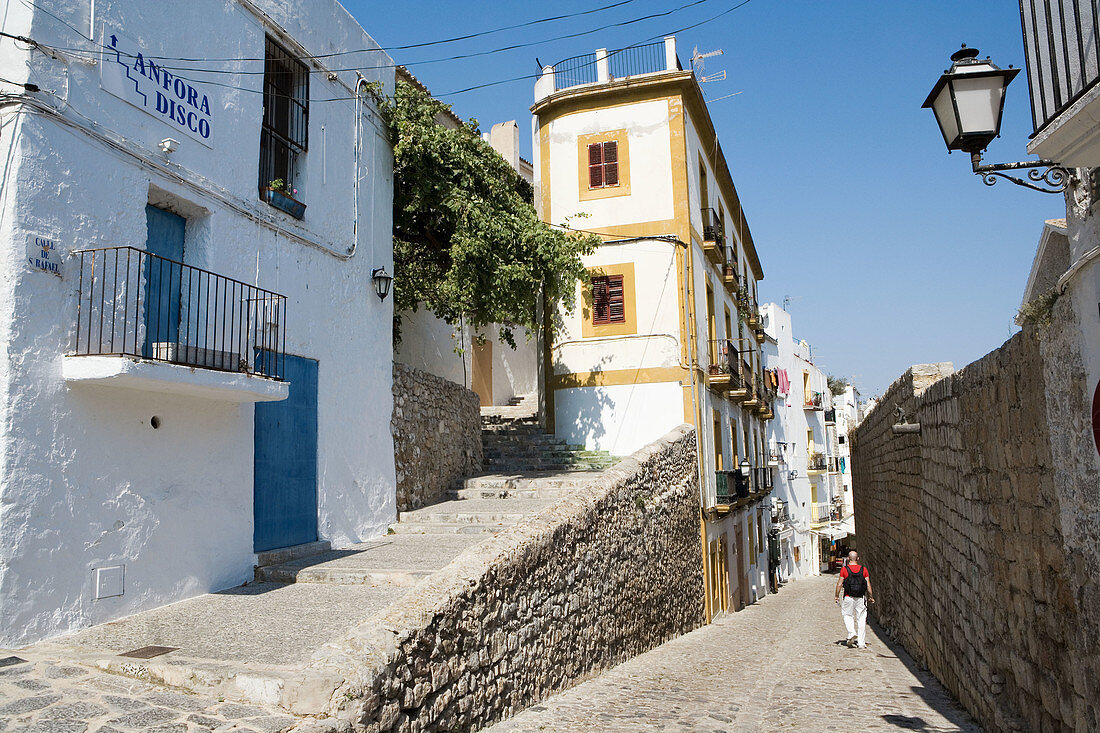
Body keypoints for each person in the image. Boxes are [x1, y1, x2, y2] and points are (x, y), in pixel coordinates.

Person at [834, 550, 874, 648]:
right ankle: (861, 643)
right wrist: (871, 596)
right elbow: (868, 584)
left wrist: (836, 595)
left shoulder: (844, 570)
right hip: (861, 598)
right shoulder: (863, 570)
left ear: (848, 559)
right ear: (858, 558)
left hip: (848, 597)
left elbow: (839, 584)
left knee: (847, 615)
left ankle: (851, 632)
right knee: (861, 619)